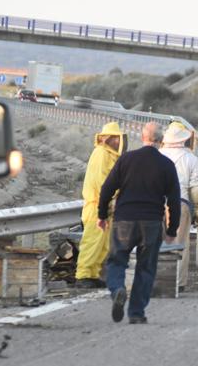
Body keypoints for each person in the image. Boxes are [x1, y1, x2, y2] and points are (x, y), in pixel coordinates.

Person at [97, 122, 181, 324]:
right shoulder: (167, 165)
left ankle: (117, 289)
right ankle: (136, 313)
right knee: (146, 268)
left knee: (117, 261)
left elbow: (107, 189)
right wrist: (172, 228)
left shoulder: (126, 159)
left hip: (124, 220)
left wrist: (101, 215)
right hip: (151, 223)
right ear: (161, 142)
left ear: (143, 137)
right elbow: (174, 200)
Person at [75, 122, 127, 289]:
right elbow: (102, 182)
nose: (119, 142)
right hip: (97, 206)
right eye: (117, 138)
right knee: (92, 242)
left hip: (106, 207)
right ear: (110, 138)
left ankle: (93, 274)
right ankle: (83, 275)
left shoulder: (111, 156)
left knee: (103, 244)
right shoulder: (101, 154)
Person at [159, 122, 198, 291]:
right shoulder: (191, 158)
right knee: (179, 243)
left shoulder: (158, 154)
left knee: (156, 242)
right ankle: (178, 283)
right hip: (179, 203)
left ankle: (156, 279)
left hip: (155, 203)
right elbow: (197, 190)